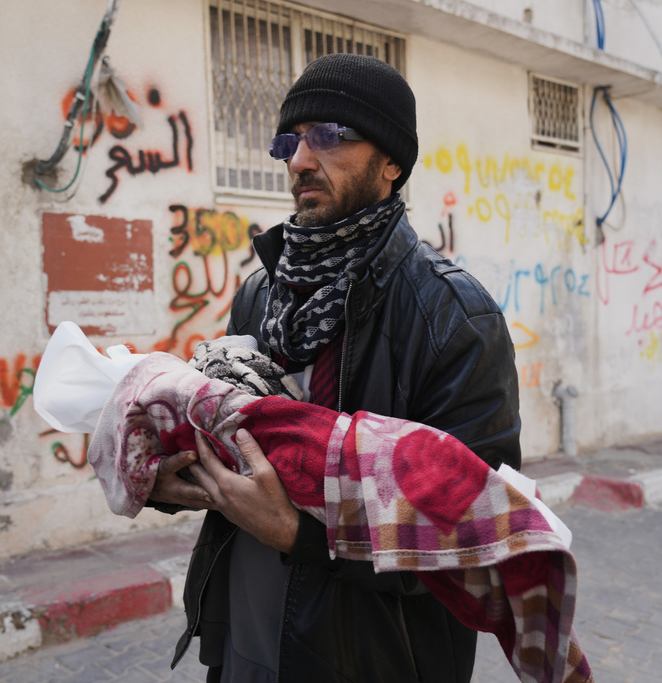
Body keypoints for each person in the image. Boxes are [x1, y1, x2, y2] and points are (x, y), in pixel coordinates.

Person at [149, 53, 522, 683]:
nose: (299, 160)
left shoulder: (454, 317)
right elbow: (234, 441)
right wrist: (171, 474)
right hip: (246, 638)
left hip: (375, 656)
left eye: (330, 135)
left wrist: (298, 533)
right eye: (290, 141)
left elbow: (475, 539)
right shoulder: (261, 293)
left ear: (392, 162)